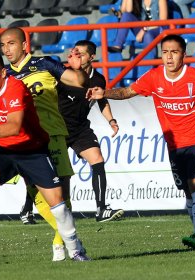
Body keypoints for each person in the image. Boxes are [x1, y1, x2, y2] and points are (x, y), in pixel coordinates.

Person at [87, 34, 195, 250]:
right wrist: (104, 93)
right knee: (186, 190)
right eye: (165, 52)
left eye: (174, 52)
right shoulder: (154, 77)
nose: (169, 57)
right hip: (174, 143)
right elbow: (126, 92)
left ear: (183, 55)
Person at [0, 48, 90, 261]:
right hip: (2, 149)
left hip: (32, 150)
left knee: (57, 204)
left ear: (3, 73)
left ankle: (75, 250)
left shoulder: (16, 87)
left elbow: (14, 127)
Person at [0, 27, 88, 261]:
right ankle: (68, 239)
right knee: (36, 193)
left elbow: (79, 82)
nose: (6, 49)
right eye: (3, 45)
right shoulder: (4, 75)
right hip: (25, 141)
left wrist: (78, 70)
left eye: (11, 44)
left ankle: (62, 241)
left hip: (52, 135)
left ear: (24, 45)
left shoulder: (45, 64)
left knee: (62, 193)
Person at [57, 40, 124, 222]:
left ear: (92, 57)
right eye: (75, 52)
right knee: (56, 173)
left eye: (81, 54)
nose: (76, 56)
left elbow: (102, 100)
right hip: (57, 128)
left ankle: (101, 209)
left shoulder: (98, 79)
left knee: (98, 160)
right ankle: (27, 208)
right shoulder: (63, 75)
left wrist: (111, 120)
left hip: (79, 129)